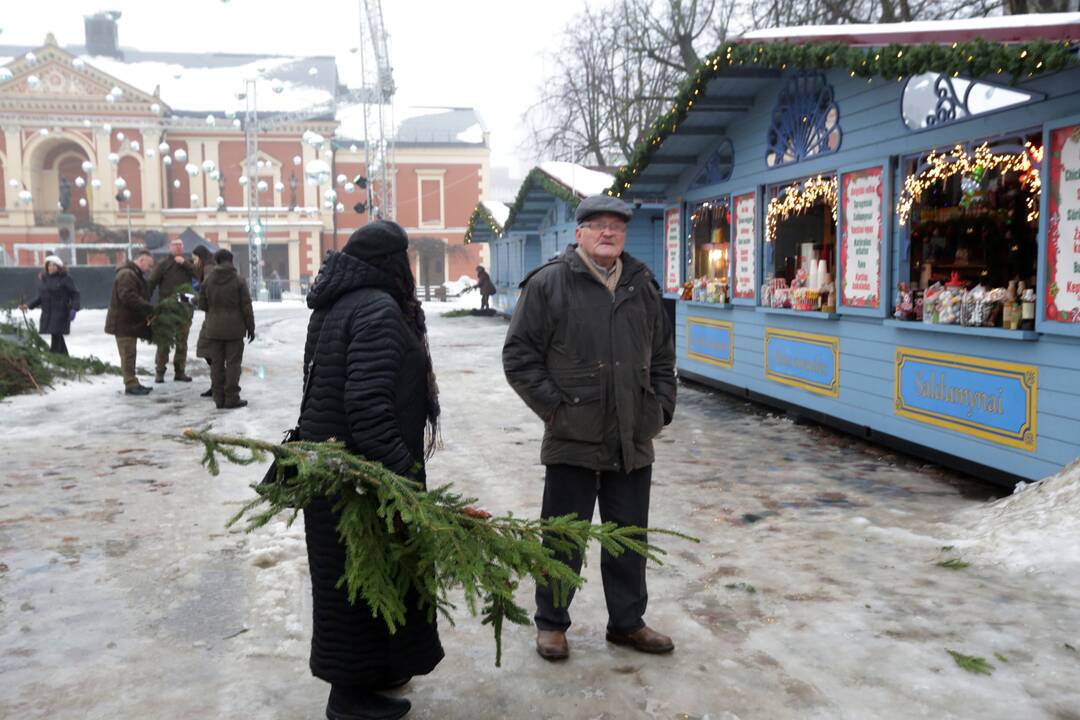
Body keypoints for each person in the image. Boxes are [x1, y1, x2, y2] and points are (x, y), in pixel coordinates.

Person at [502, 194, 677, 662]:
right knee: (563, 538)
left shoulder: (642, 284)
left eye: (616, 226)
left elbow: (662, 356)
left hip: (632, 437)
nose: (608, 233)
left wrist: (659, 409)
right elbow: (519, 357)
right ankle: (552, 624)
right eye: (597, 225)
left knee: (629, 537)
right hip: (572, 437)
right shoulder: (549, 284)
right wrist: (556, 411)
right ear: (577, 233)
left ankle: (627, 623)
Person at [298, 220, 443, 720]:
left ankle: (375, 675)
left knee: (365, 580)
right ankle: (348, 698)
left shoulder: (338, 303)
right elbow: (366, 406)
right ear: (393, 263)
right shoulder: (378, 309)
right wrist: (401, 476)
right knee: (354, 587)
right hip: (359, 479)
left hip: (336, 469)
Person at [197, 249, 254, 410]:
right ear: (231, 260)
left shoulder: (208, 280)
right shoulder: (238, 280)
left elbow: (202, 305)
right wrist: (251, 327)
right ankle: (232, 398)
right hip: (235, 329)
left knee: (216, 364)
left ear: (217, 261)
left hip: (213, 328)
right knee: (233, 364)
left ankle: (218, 398)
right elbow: (246, 306)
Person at [105, 249, 156, 396]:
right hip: (123, 323)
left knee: (130, 354)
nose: (149, 269)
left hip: (128, 323)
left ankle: (133, 381)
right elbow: (128, 297)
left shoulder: (133, 274)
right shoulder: (127, 274)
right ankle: (130, 384)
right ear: (141, 260)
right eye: (149, 265)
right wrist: (147, 307)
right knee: (127, 354)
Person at [147, 237, 196, 383]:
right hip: (167, 309)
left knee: (182, 342)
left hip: (184, 309)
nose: (179, 247)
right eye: (175, 245)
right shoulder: (163, 264)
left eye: (181, 245)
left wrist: (186, 264)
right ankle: (160, 371)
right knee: (164, 340)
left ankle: (179, 371)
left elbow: (198, 274)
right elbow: (151, 282)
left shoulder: (187, 263)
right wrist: (146, 302)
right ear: (170, 247)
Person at [19, 254, 80, 356]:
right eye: (49, 265)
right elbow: (41, 297)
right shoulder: (45, 279)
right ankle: (62, 358)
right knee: (56, 336)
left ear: (59, 267)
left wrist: (74, 308)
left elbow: (75, 294)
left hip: (61, 312)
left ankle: (55, 356)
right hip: (48, 313)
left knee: (56, 335)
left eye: (54, 265)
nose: (51, 267)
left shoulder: (65, 279)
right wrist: (28, 306)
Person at [191, 245, 216, 398]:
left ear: (201, 258)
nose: (194, 263)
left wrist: (194, 300)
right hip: (212, 316)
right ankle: (217, 384)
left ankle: (218, 384)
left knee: (209, 352)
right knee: (210, 353)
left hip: (213, 318)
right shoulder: (208, 268)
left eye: (195, 259)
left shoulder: (209, 270)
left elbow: (207, 294)